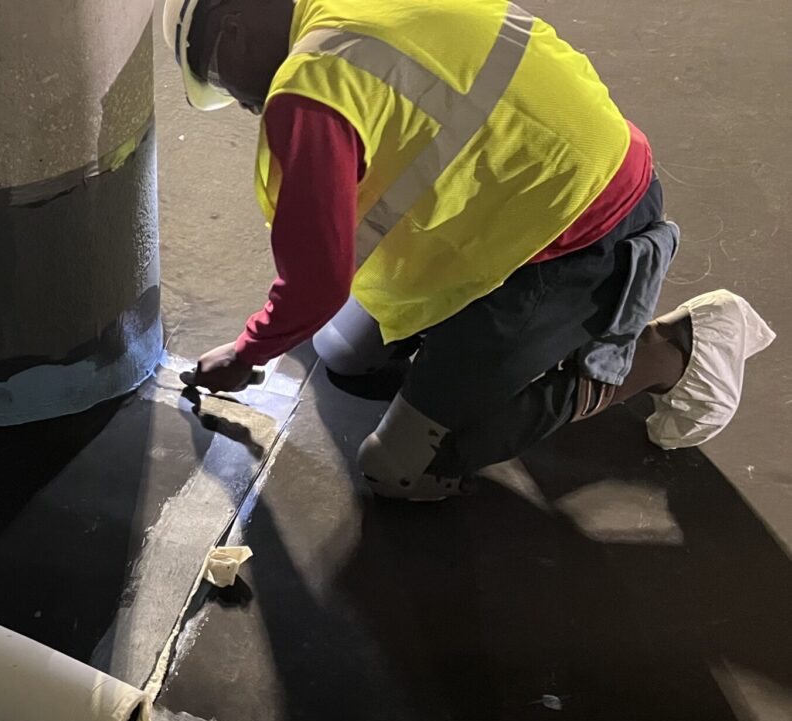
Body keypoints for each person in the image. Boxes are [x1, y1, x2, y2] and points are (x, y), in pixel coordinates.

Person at [165, 0, 775, 500]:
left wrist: (246, 353)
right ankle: (487, 360)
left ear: (234, 27)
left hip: (574, 241)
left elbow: (317, 282)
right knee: (343, 352)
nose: (240, 103)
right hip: (526, 208)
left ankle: (668, 353)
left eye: (219, 81)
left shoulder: (309, 90)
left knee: (400, 470)